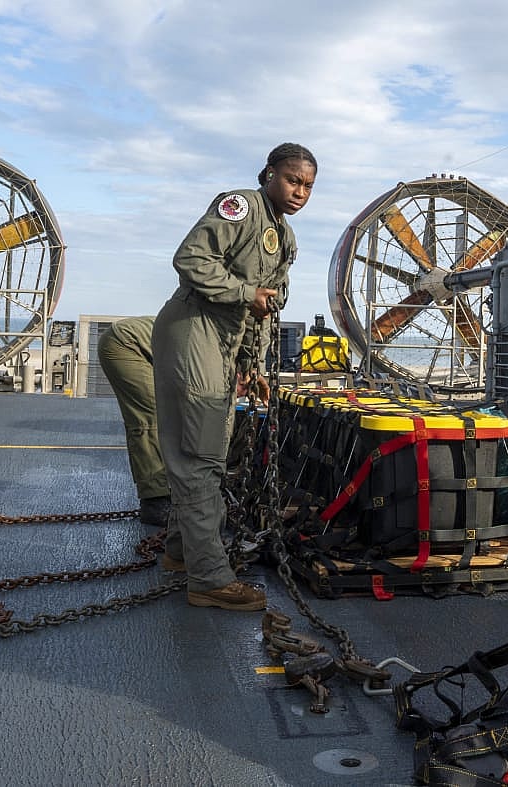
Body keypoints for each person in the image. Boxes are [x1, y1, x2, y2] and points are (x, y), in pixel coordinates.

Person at [153, 142, 316, 611]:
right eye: (292, 180)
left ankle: (182, 553)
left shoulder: (284, 239)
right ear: (269, 174)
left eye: (307, 186)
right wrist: (245, 291)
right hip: (194, 327)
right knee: (199, 456)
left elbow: (262, 311)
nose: (299, 191)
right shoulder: (241, 207)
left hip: (224, 341)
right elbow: (190, 260)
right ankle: (207, 578)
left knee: (211, 452)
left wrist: (253, 366)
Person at [97, 316, 170, 526]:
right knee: (151, 417)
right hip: (124, 344)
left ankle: (166, 489)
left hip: (142, 347)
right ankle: (156, 501)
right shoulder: (214, 355)